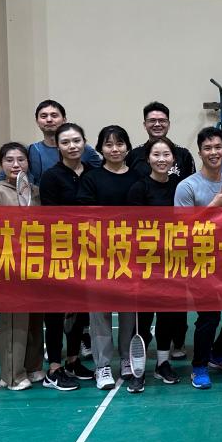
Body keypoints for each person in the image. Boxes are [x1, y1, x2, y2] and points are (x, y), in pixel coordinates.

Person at [174, 127, 222, 389]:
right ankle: (199, 366)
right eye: (207, 148)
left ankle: (219, 353)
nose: (213, 152)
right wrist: (212, 207)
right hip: (199, 261)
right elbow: (181, 229)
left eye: (217, 147)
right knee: (209, 316)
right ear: (200, 152)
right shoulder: (187, 186)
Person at [125, 101, 194, 359]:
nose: (157, 124)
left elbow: (189, 205)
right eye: (152, 120)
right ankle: (141, 348)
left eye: (162, 120)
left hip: (175, 251)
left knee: (175, 303)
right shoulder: (134, 160)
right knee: (145, 306)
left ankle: (176, 343)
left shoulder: (183, 161)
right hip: (146, 251)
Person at [77, 125, 142, 390]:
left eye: (119, 144)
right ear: (100, 149)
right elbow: (84, 215)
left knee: (129, 312)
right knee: (99, 313)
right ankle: (102, 365)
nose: (115, 149)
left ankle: (127, 359)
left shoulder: (138, 177)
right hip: (99, 255)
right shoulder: (91, 178)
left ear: (127, 147)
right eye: (108, 144)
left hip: (130, 255)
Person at [38, 123, 95, 392]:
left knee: (79, 310)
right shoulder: (51, 177)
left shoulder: (93, 173)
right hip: (60, 251)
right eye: (65, 142)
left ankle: (73, 361)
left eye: (76, 141)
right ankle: (54, 368)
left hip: (88, 251)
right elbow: (51, 216)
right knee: (56, 312)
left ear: (84, 142)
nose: (72, 146)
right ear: (58, 147)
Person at [127, 137, 186, 388]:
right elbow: (133, 228)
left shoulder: (179, 187)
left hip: (172, 262)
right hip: (146, 263)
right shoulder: (139, 188)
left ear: (173, 159)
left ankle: (163, 364)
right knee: (143, 318)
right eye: (156, 155)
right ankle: (138, 369)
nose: (162, 160)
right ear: (148, 159)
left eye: (166, 155)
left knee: (168, 316)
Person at [0, 142, 44, 390]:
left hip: (36, 264)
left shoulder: (36, 192)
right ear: (1, 164)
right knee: (13, 320)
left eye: (21, 159)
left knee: (34, 318)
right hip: (9, 266)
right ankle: (12, 375)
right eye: (9, 160)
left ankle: (33, 366)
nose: (16, 164)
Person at [23, 99, 101, 185]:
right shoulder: (31, 150)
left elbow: (102, 174)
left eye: (54, 115)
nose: (49, 120)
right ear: (37, 121)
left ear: (64, 119)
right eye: (44, 116)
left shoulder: (84, 149)